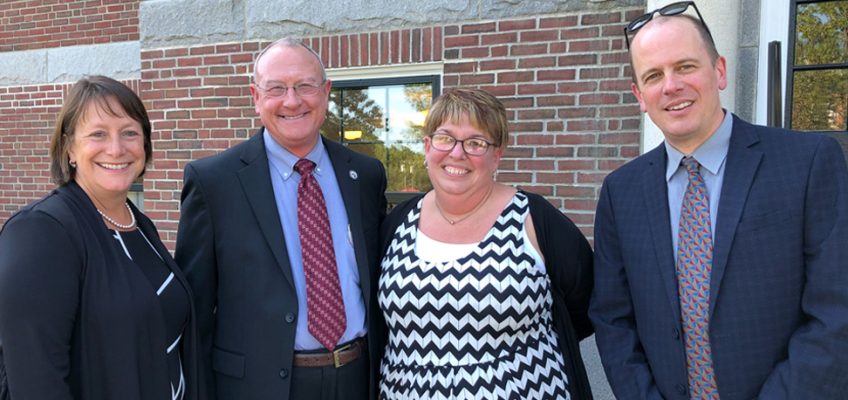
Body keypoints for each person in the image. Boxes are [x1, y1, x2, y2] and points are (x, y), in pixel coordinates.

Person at [590, 2, 848, 399]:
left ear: (720, 71)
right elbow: (612, 319)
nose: (671, 85)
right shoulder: (621, 192)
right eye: (654, 75)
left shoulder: (808, 163)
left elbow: (836, 312)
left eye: (686, 66)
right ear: (640, 95)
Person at [174, 38, 387, 400]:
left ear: (326, 92)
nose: (292, 101)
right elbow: (194, 311)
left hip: (356, 376)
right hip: (258, 386)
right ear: (256, 96)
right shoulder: (213, 183)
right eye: (276, 88)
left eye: (305, 86)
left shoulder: (365, 175)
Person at [378, 88, 595, 399]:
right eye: (445, 138)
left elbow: (585, 306)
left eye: (476, 143)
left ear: (497, 154)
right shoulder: (398, 222)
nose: (457, 153)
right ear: (427, 147)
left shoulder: (535, 220)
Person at [0, 75, 204, 399]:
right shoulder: (41, 232)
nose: (116, 148)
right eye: (98, 134)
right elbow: (36, 381)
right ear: (70, 148)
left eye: (129, 133)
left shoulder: (138, 225)